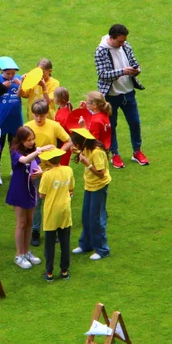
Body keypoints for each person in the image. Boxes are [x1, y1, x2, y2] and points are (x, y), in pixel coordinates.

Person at [95, 24, 149, 168]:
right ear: (111, 38)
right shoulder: (101, 51)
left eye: (124, 41)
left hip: (128, 92)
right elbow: (102, 74)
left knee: (135, 122)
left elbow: (134, 63)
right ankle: (115, 154)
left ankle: (137, 151)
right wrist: (122, 72)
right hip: (111, 96)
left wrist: (136, 70)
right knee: (111, 126)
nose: (122, 44)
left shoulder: (126, 46)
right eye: (120, 41)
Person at [26, 97, 72, 246]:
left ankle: (55, 229)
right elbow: (20, 147)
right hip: (35, 170)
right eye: (36, 115)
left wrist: (58, 152)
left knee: (53, 201)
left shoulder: (54, 125)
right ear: (32, 113)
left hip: (51, 170)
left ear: (47, 114)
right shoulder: (28, 126)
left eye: (42, 115)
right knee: (37, 202)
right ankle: (35, 231)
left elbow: (69, 140)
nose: (39, 119)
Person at [7, 126, 48, 269]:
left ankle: (26, 251)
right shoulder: (15, 152)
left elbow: (37, 165)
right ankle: (19, 255)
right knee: (22, 222)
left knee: (30, 221)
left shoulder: (33, 151)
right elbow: (24, 160)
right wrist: (38, 151)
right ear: (21, 141)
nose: (31, 142)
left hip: (30, 189)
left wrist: (40, 172)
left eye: (32, 139)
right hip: (19, 190)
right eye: (28, 140)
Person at [71, 128, 111, 261]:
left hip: (98, 187)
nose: (73, 146)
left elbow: (101, 174)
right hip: (89, 186)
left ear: (81, 143)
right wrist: (77, 152)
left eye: (75, 145)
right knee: (86, 216)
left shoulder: (97, 152)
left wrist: (87, 165)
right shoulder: (86, 147)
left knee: (96, 218)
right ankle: (86, 244)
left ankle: (102, 249)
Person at [37, 148, 74, 282]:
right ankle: (64, 271)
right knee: (65, 242)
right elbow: (71, 189)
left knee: (50, 243)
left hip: (51, 211)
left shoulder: (46, 175)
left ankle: (49, 273)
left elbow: (42, 195)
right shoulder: (68, 170)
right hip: (65, 209)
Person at [0, 57, 24, 151]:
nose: (11, 76)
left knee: (16, 150)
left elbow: (26, 93)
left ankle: (16, 166)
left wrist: (21, 84)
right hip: (1, 120)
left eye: (13, 73)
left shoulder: (18, 79)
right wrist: (2, 87)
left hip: (16, 121)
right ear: (2, 71)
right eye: (8, 73)